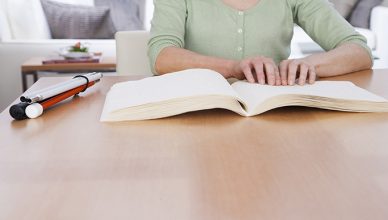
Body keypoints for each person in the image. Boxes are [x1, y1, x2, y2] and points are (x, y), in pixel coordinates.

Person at [147, 0, 373, 86]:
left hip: (273, 114)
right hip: (194, 113)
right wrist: (232, 68)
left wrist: (310, 64)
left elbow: (358, 50)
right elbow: (161, 56)